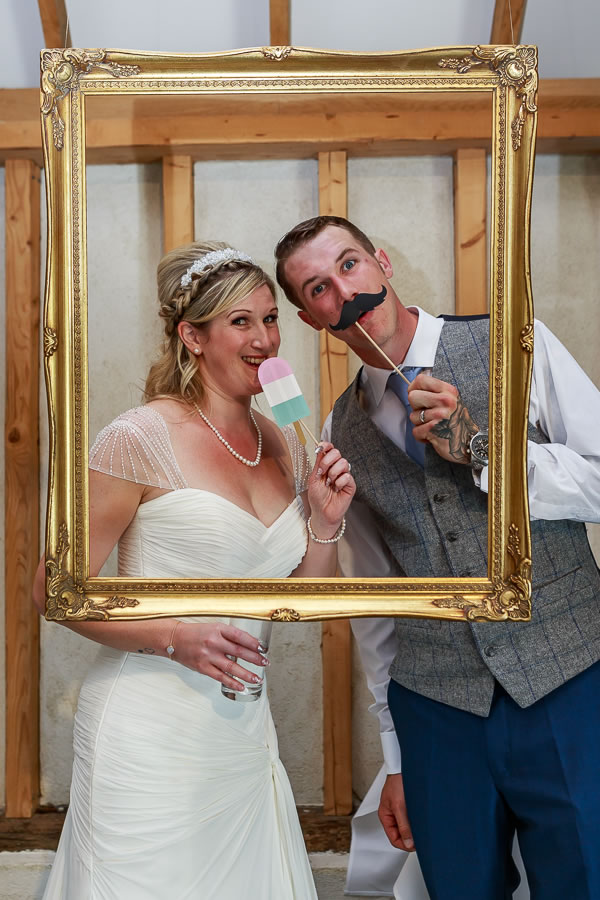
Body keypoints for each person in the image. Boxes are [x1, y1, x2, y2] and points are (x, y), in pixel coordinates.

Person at [275, 215, 600, 899]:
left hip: (568, 679)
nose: (345, 292)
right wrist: (397, 754)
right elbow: (374, 601)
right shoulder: (338, 431)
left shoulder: (516, 344)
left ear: (382, 262)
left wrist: (482, 451)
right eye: (319, 288)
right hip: (436, 707)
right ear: (311, 319)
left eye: (350, 265)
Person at [34, 241, 355, 900]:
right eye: (241, 322)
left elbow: (301, 603)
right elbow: (54, 591)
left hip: (241, 731)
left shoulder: (285, 444)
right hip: (146, 728)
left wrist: (325, 521)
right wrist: (175, 637)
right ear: (192, 336)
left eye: (271, 319)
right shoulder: (139, 438)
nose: (265, 339)